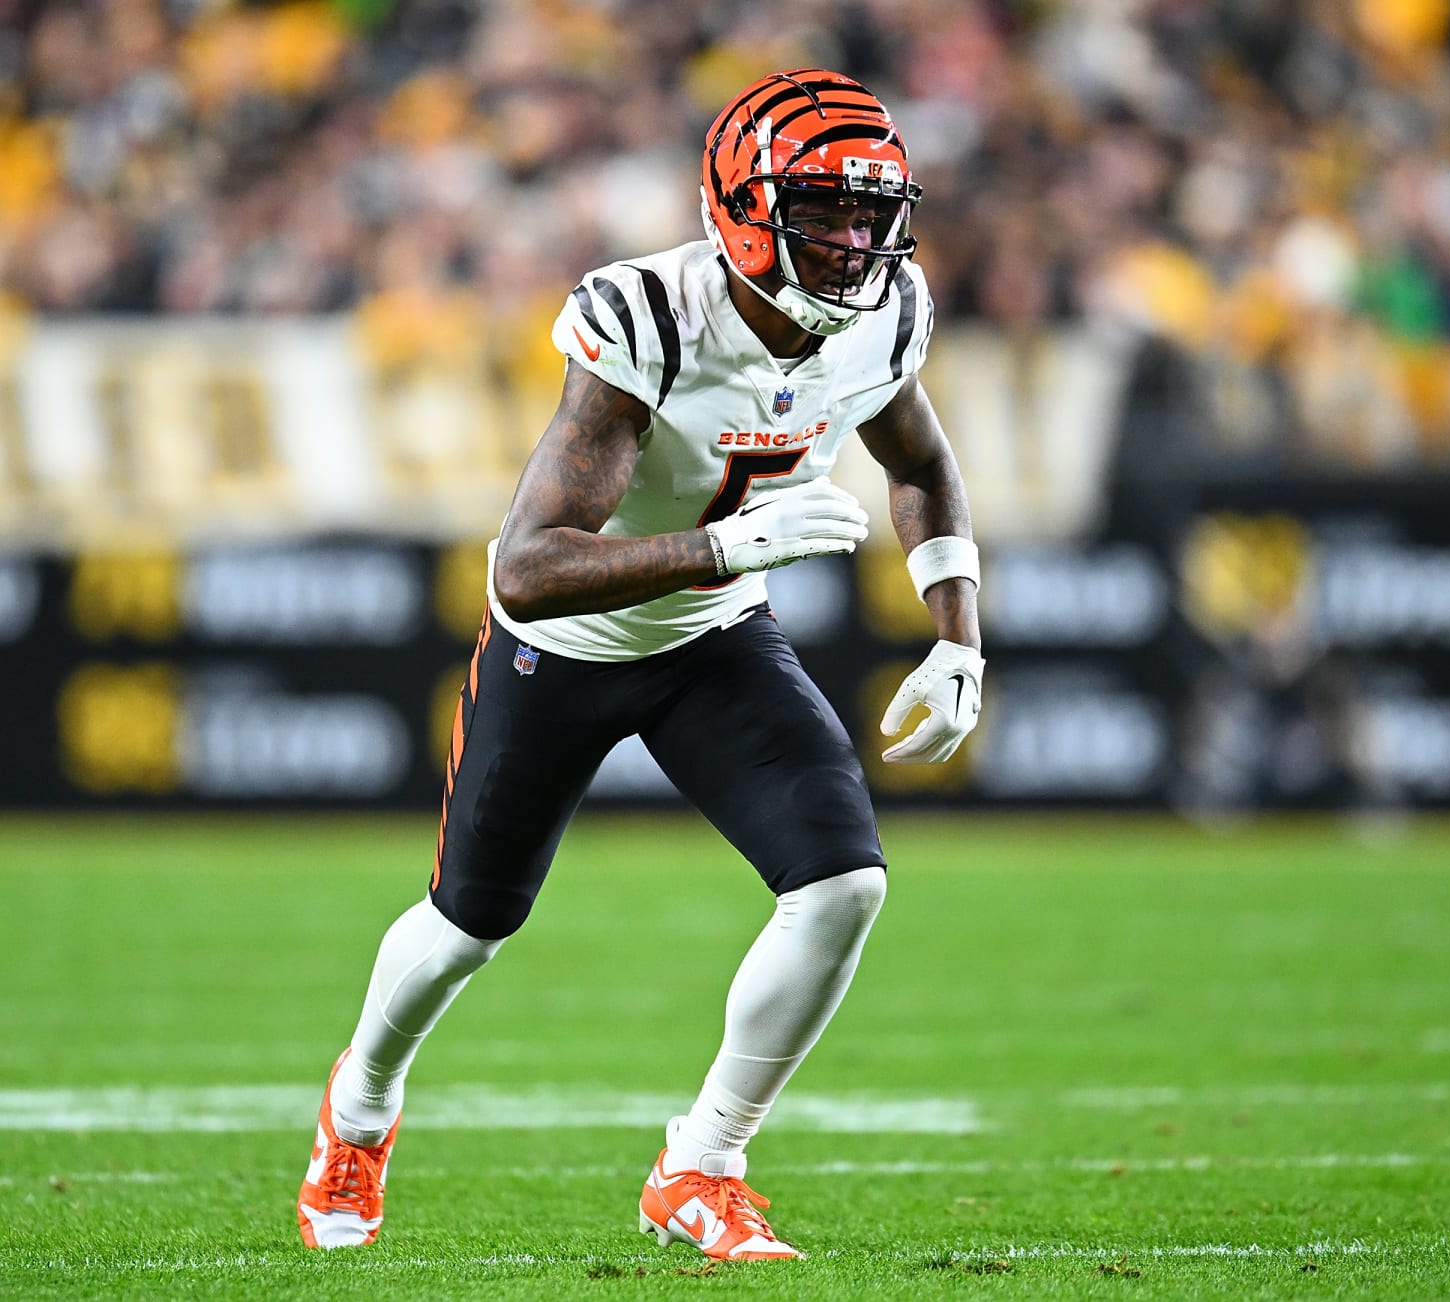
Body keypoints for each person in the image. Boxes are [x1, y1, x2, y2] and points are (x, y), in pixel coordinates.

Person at [296, 69, 984, 1261]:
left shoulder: (887, 311)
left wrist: (957, 633)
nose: (851, 242)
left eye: (869, 214)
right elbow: (528, 568)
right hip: (564, 648)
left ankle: (703, 1165)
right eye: (820, 210)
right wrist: (723, 542)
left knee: (842, 885)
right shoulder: (647, 317)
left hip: (714, 639)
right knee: (468, 928)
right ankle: (359, 1109)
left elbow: (916, 456)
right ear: (741, 205)